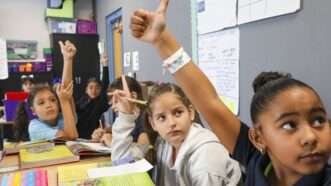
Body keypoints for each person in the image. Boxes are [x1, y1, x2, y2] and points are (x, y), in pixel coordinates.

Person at [129, 1, 331, 185]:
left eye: (319, 120)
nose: (310, 136)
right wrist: (162, 41)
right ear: (259, 138)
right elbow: (209, 102)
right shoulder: (256, 159)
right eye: (289, 125)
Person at [111, 79, 241, 186]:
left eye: (178, 113)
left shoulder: (205, 155)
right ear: (153, 124)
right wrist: (125, 115)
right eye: (162, 117)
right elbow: (121, 162)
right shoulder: (163, 143)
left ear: (190, 113)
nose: (171, 123)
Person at [20, 40, 78, 141]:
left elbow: (65, 89)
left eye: (53, 100)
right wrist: (64, 101)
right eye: (41, 103)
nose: (48, 105)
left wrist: (68, 60)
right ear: (33, 110)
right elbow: (71, 137)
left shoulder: (61, 118)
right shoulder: (34, 127)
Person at [91, 75, 149, 146]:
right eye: (112, 103)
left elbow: (142, 148)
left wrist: (113, 143)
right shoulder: (123, 116)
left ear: (133, 96)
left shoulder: (146, 117)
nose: (112, 107)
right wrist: (103, 133)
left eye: (116, 102)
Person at [75, 55, 110, 139]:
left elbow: (105, 86)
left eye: (97, 88)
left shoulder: (100, 103)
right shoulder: (82, 100)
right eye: (91, 87)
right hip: (77, 136)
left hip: (91, 138)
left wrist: (105, 65)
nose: (94, 90)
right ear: (86, 89)